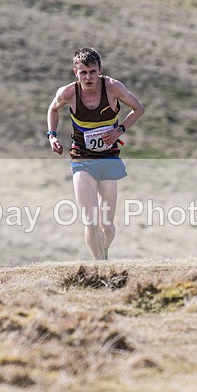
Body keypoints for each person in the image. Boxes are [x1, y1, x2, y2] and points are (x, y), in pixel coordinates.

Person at [47, 47, 145, 260]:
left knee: (106, 225)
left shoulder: (112, 88)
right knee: (90, 220)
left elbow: (138, 108)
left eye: (92, 71)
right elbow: (53, 109)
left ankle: (104, 252)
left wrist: (119, 130)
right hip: (81, 160)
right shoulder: (68, 93)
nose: (88, 77)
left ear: (100, 70)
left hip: (109, 159)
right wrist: (52, 135)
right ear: (76, 73)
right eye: (83, 72)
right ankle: (100, 265)